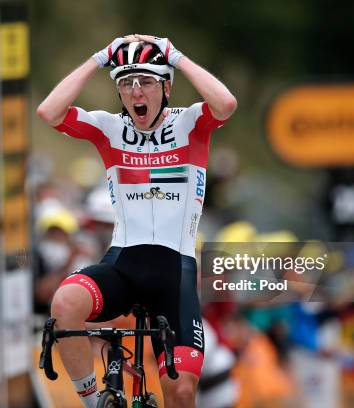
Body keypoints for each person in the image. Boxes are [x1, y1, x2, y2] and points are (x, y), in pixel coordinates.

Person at [37, 34, 236, 408]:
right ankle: (95, 400)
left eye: (145, 81)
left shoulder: (190, 123)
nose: (135, 92)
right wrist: (100, 57)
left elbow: (225, 103)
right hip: (123, 265)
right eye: (126, 83)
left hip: (173, 275)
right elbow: (49, 112)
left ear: (166, 86)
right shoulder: (109, 128)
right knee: (65, 303)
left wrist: (175, 56)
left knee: (179, 393)